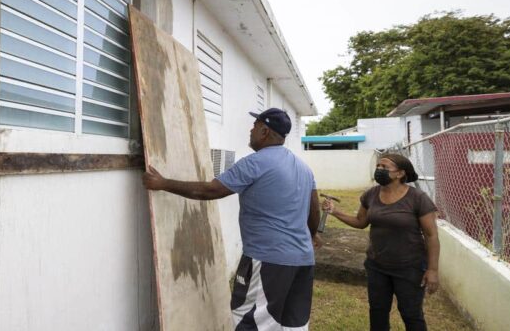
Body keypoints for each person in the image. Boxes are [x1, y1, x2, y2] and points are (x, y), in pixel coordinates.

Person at [142, 108, 320, 331]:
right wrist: (312, 235)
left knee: (250, 322)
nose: (250, 130)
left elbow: (209, 191)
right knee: (292, 325)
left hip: (268, 261)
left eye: (254, 126)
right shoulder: (304, 169)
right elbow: (314, 211)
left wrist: (163, 183)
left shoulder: (255, 163)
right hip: (303, 261)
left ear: (265, 131)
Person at [321, 153, 440, 331]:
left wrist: (432, 270)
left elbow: (431, 236)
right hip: (377, 266)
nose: (379, 170)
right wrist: (335, 212)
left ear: (400, 174)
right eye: (378, 167)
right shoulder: (371, 194)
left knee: (411, 314)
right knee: (377, 311)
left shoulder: (417, 198)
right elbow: (361, 222)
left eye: (385, 168)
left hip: (409, 267)